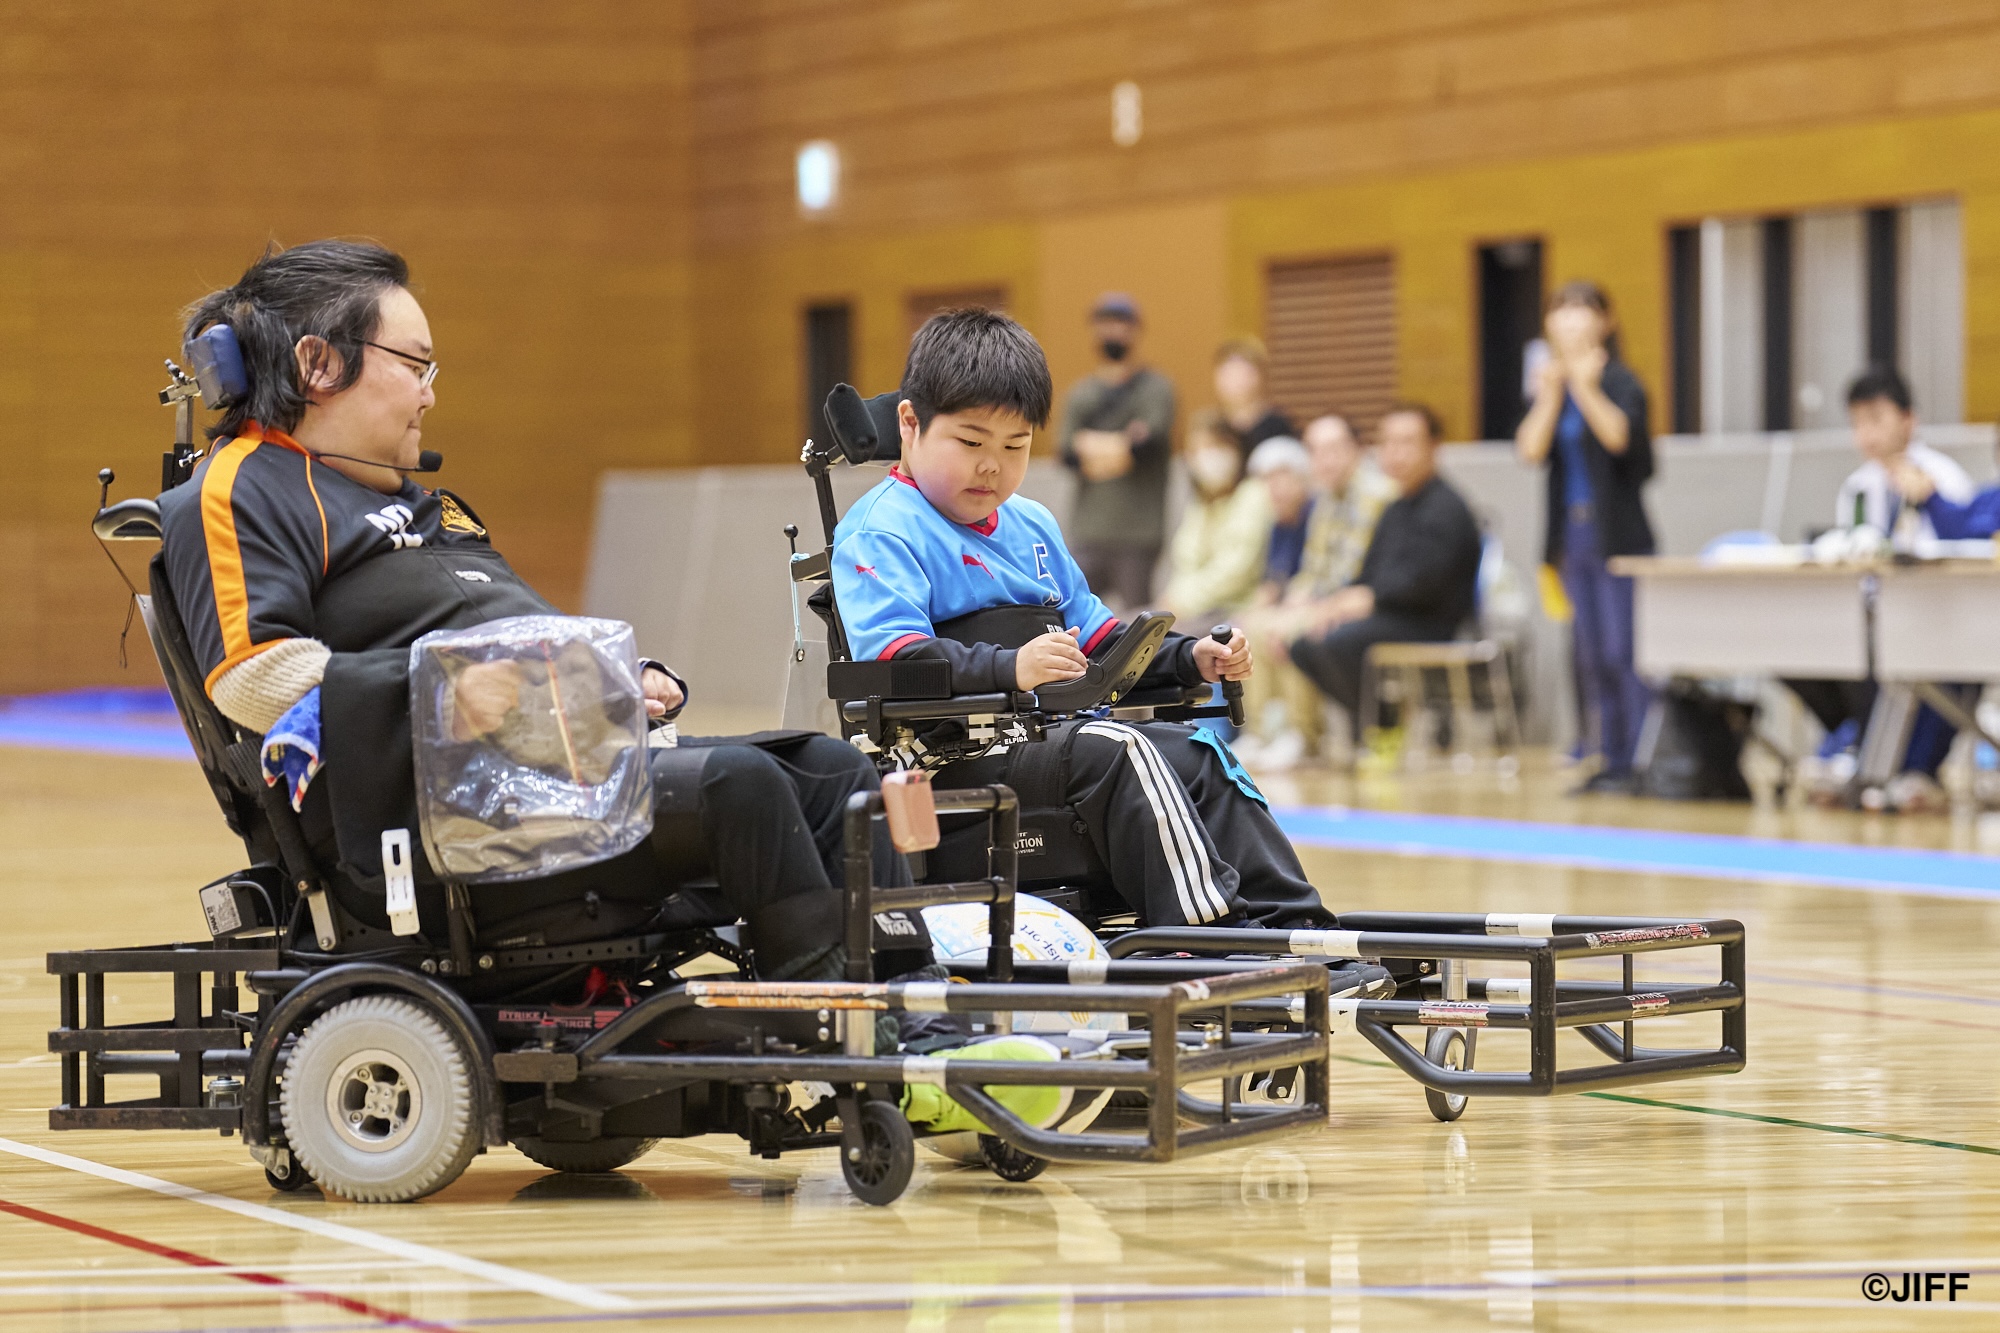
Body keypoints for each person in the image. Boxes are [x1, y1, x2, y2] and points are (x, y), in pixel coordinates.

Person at [159, 240, 894, 984]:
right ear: (318, 364)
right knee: (741, 789)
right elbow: (252, 676)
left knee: (837, 773)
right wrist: (442, 687)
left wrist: (615, 678)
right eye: (414, 366)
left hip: (554, 770)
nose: (429, 394)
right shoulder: (240, 488)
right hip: (436, 822)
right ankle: (843, 1033)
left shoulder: (417, 502)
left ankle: (918, 1000)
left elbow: (518, 639)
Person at [831, 309, 1372, 943]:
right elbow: (896, 666)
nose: (993, 468)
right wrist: (1011, 669)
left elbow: (1100, 644)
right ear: (910, 424)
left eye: (1016, 447)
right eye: (972, 443)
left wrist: (1187, 657)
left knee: (1199, 751)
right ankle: (1211, 939)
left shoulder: (1030, 523)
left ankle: (1298, 929)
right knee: (1121, 749)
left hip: (1048, 746)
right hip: (951, 763)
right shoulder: (881, 530)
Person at [1786, 368, 1978, 808]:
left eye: (1876, 419)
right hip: (1870, 619)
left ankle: (1912, 768)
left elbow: (1960, 553)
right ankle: (1856, 748)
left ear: (1907, 420)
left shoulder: (1942, 479)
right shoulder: (1858, 487)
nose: (1865, 434)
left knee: (1918, 662)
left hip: (1937, 620)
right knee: (1813, 652)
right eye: (1857, 423)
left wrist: (1927, 501)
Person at [1513, 281, 1656, 795]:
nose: (1569, 320)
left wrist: (1587, 387)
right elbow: (1529, 449)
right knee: (1589, 654)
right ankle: (1603, 756)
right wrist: (1554, 392)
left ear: (1605, 321)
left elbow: (1622, 439)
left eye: (1581, 309)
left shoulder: (1619, 380)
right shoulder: (1550, 384)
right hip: (1570, 538)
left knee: (1624, 651)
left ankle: (1637, 759)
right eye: (1560, 310)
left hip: (1619, 538)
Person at [1288, 404, 1482, 749]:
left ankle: (1382, 725)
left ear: (1434, 447)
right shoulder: (1395, 507)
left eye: (1407, 443)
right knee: (1304, 643)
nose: (1395, 454)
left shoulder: (1446, 507)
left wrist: (1371, 599)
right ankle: (1377, 724)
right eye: (1388, 444)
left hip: (1430, 623)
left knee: (1340, 641)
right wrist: (1335, 604)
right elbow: (1368, 572)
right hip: (1391, 614)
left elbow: (1425, 583)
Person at [1237, 413, 1397, 769]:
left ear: (1357, 449)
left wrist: (1303, 611)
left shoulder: (1375, 496)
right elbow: (1313, 570)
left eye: (1334, 449)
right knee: (1252, 627)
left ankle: (1303, 734)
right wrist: (1294, 601)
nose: (1325, 460)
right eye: (1316, 451)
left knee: (1291, 629)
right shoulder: (1327, 500)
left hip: (1362, 603)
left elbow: (1354, 574)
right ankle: (1261, 733)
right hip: (1327, 599)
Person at [1055, 293, 1176, 612]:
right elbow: (1068, 454)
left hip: (1138, 535)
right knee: (1074, 619)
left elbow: (1145, 446)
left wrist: (1091, 447)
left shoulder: (1155, 389)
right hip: (1087, 533)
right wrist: (1122, 444)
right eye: (1105, 325)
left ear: (1135, 331)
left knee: (1141, 626)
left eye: (1121, 325)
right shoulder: (1081, 394)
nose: (1113, 333)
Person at [1159, 410, 1271, 625]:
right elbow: (1185, 561)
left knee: (1168, 647)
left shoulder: (1253, 494)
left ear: (1234, 449)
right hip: (1194, 608)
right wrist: (1172, 599)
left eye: (1214, 447)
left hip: (1236, 608)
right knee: (1130, 630)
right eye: (1197, 450)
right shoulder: (1201, 504)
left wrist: (1183, 602)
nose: (1206, 456)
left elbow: (1236, 571)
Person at [1213, 337, 1294, 462]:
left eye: (1239, 371)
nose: (1232, 380)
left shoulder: (1276, 425)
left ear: (1258, 375)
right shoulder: (1214, 425)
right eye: (1225, 372)